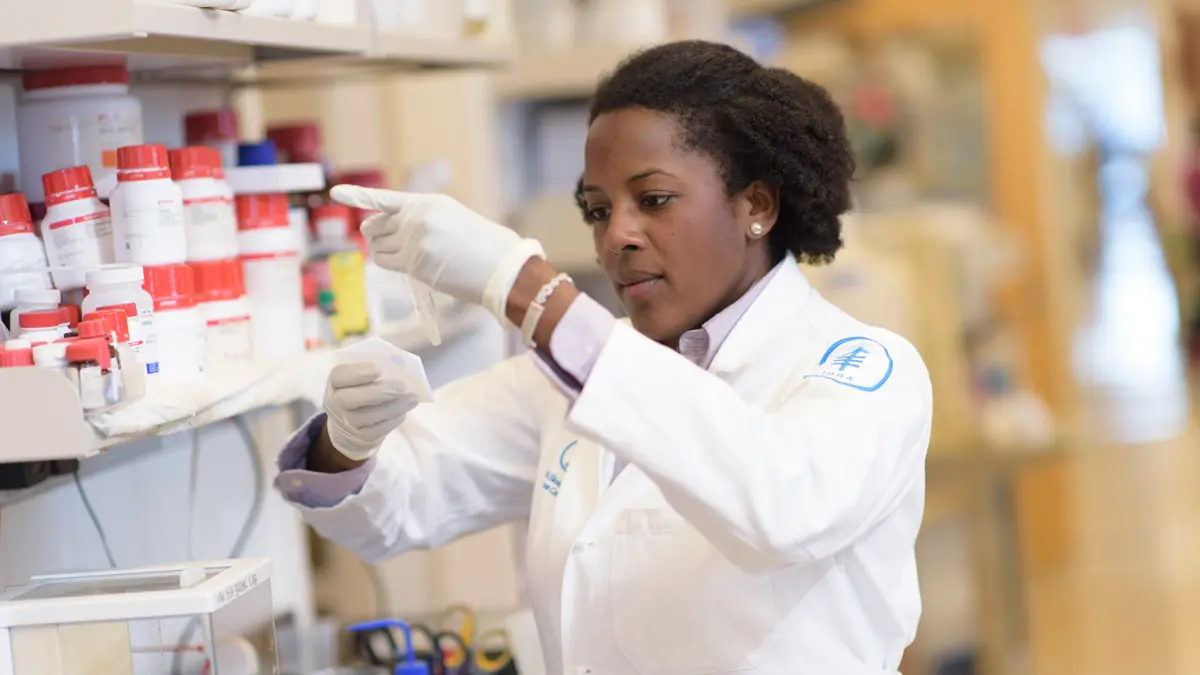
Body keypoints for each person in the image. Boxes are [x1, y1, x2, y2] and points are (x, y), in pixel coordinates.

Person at [277, 40, 932, 674]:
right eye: (597, 209)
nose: (616, 234)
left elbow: (778, 508)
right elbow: (401, 499)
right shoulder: (567, 380)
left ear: (755, 204)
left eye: (653, 200)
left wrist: (524, 285)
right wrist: (350, 440)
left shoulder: (866, 372)